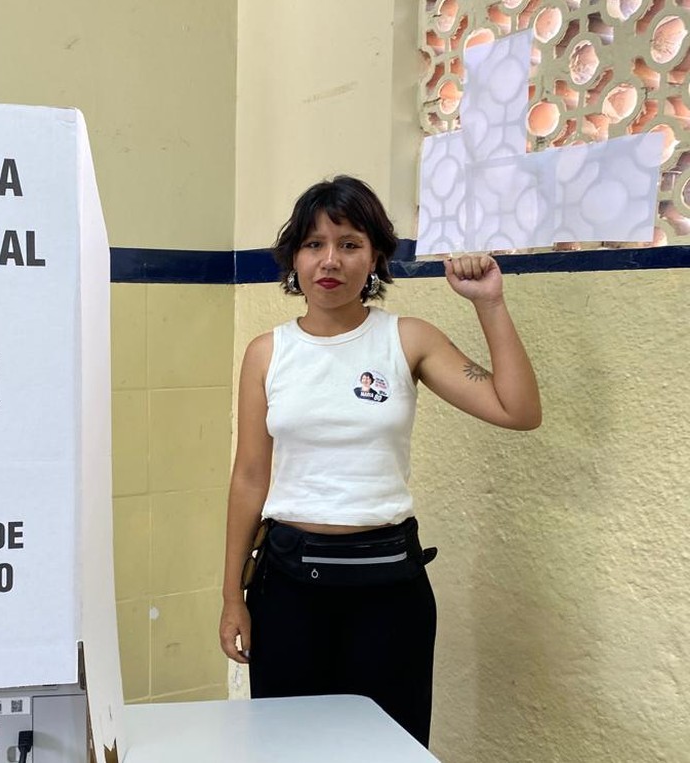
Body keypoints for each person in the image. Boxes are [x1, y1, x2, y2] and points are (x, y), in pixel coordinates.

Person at [218, 176, 541, 747]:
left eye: (350, 244)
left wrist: (489, 302)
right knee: (289, 750)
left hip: (388, 591)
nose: (330, 261)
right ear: (294, 257)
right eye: (314, 244)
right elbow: (249, 477)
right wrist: (230, 597)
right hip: (287, 590)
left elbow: (518, 410)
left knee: (388, 750)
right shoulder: (267, 353)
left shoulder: (408, 340)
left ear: (375, 258)